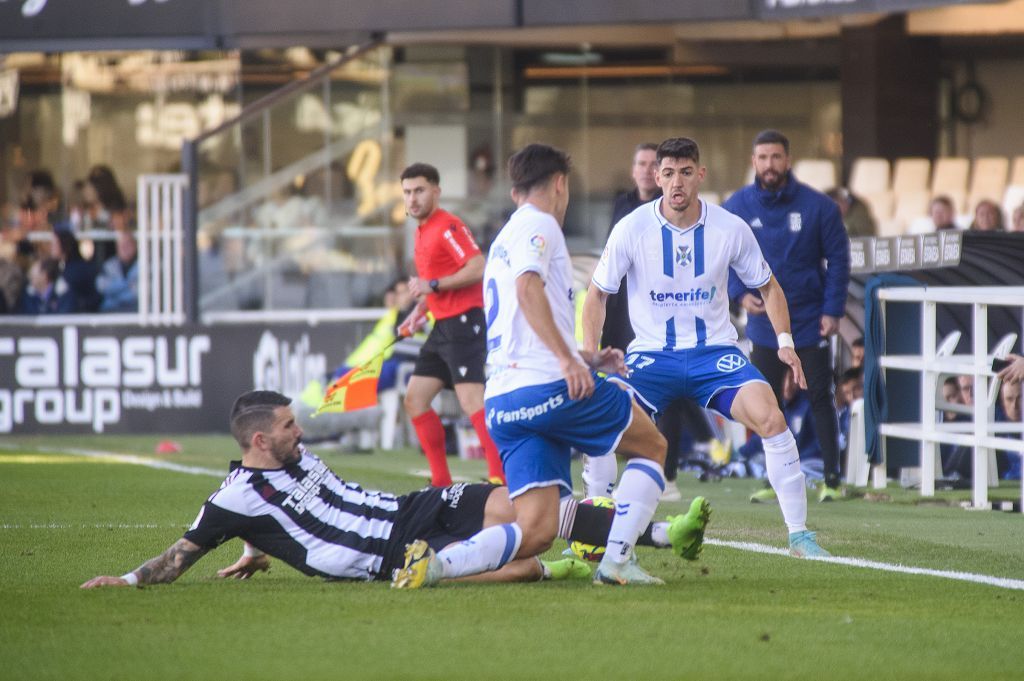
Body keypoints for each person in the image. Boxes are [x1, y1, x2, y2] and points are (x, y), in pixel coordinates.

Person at [392, 143, 710, 589]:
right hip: (546, 387)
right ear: (559, 185)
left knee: (538, 529)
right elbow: (527, 290)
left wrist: (585, 357)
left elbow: (523, 322)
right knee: (652, 446)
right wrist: (567, 361)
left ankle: (439, 565)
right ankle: (617, 560)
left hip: (504, 399)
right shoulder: (540, 226)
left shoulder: (502, 237)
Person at [80, 390, 707, 590]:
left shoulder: (290, 459)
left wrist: (257, 547)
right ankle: (563, 568)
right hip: (380, 557)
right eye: (289, 427)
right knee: (520, 565)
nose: (301, 431)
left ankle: (652, 533)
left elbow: (282, 524)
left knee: (518, 502)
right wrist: (131, 581)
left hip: (408, 509)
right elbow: (181, 554)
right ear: (259, 443)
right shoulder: (232, 499)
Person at [583, 136, 829, 557]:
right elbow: (596, 294)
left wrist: (785, 342)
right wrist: (589, 355)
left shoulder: (729, 227)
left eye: (684, 172)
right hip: (651, 357)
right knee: (601, 421)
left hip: (715, 355)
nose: (676, 182)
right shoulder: (632, 228)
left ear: (700, 175)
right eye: (667, 173)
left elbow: (768, 287)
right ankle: (592, 533)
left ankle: (800, 536)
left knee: (770, 415)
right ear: (655, 177)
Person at [723, 130, 850, 501]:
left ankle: (832, 479)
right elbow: (721, 256)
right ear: (753, 162)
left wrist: (833, 309)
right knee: (765, 401)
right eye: (762, 157)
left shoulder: (818, 207)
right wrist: (738, 293)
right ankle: (771, 478)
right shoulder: (736, 206)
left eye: (776, 157)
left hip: (810, 320)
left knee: (820, 397)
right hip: (764, 327)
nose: (769, 165)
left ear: (788, 160)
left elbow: (840, 260)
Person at [589, 142, 710, 503]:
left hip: (662, 316)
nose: (644, 171)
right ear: (639, 171)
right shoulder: (622, 209)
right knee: (616, 392)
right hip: (620, 313)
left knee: (669, 395)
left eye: (649, 164)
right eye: (640, 164)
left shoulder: (675, 210)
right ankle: (606, 486)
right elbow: (607, 269)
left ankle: (666, 470)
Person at [396, 163, 506, 487]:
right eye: (407, 192)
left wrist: (431, 287)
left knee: (472, 401)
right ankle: (441, 482)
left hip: (463, 324)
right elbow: (435, 287)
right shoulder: (421, 230)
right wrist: (419, 311)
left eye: (419, 190)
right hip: (441, 325)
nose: (412, 198)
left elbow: (477, 266)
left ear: (436, 191)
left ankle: (500, 479)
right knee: (414, 400)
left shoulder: (447, 226)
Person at [51, 229, 100, 312]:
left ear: (64, 245)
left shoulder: (77, 270)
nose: (51, 248)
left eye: (54, 244)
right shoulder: (61, 267)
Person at [96, 229, 138, 312]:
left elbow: (139, 293)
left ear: (135, 246)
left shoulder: (143, 266)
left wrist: (115, 293)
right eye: (122, 245)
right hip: (110, 311)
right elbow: (102, 287)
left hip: (135, 313)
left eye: (128, 245)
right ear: (117, 247)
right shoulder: (109, 265)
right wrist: (127, 284)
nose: (124, 248)